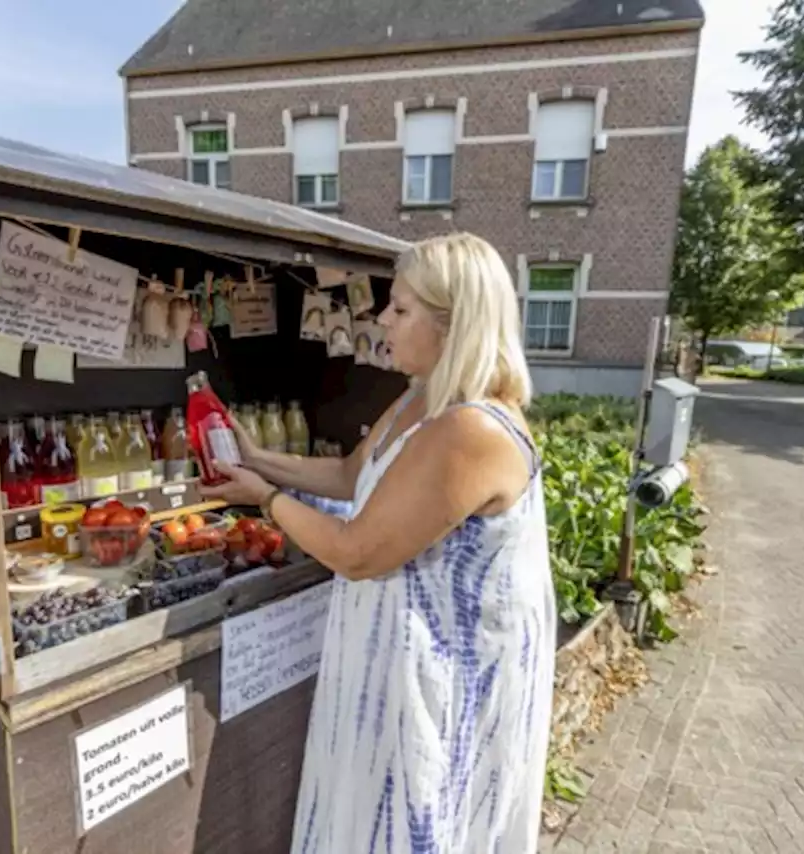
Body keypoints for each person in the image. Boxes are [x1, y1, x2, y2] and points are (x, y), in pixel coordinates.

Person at [202, 232, 556, 854]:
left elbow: (355, 550)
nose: (381, 319)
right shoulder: (420, 399)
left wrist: (263, 498)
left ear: (453, 325)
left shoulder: (468, 429)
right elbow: (348, 476)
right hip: (394, 660)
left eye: (400, 309)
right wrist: (260, 458)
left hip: (438, 678)